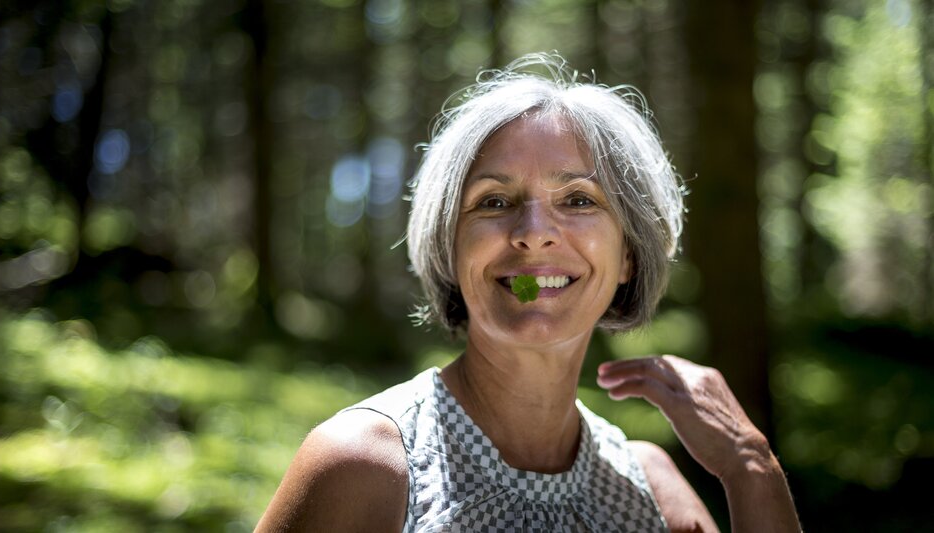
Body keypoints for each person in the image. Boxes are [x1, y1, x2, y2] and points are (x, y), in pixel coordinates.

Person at [256, 53, 801, 532]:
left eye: (579, 200)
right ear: (449, 245)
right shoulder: (364, 465)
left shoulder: (652, 490)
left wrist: (752, 468)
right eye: (493, 202)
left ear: (630, 255)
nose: (532, 231)